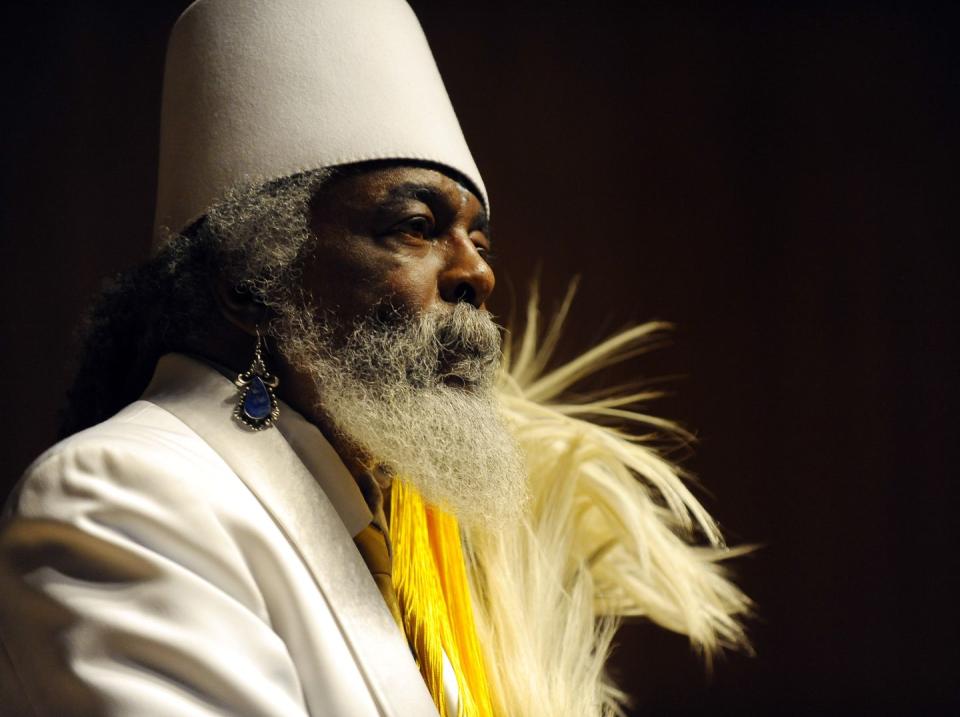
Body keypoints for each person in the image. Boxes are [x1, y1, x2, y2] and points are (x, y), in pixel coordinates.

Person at [0, 1, 751, 715]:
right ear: (254, 282)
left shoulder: (387, 533)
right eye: (418, 226)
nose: (478, 273)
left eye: (479, 241)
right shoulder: (124, 495)